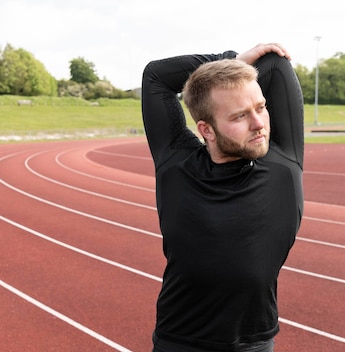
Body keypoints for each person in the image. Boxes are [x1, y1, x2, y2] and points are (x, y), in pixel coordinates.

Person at [141, 43, 304, 352]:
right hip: (179, 343)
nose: (259, 124)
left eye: (261, 107)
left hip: (253, 345)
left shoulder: (283, 163)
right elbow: (156, 77)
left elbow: (274, 63)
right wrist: (227, 59)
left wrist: (235, 68)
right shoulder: (176, 164)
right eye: (240, 116)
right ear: (207, 130)